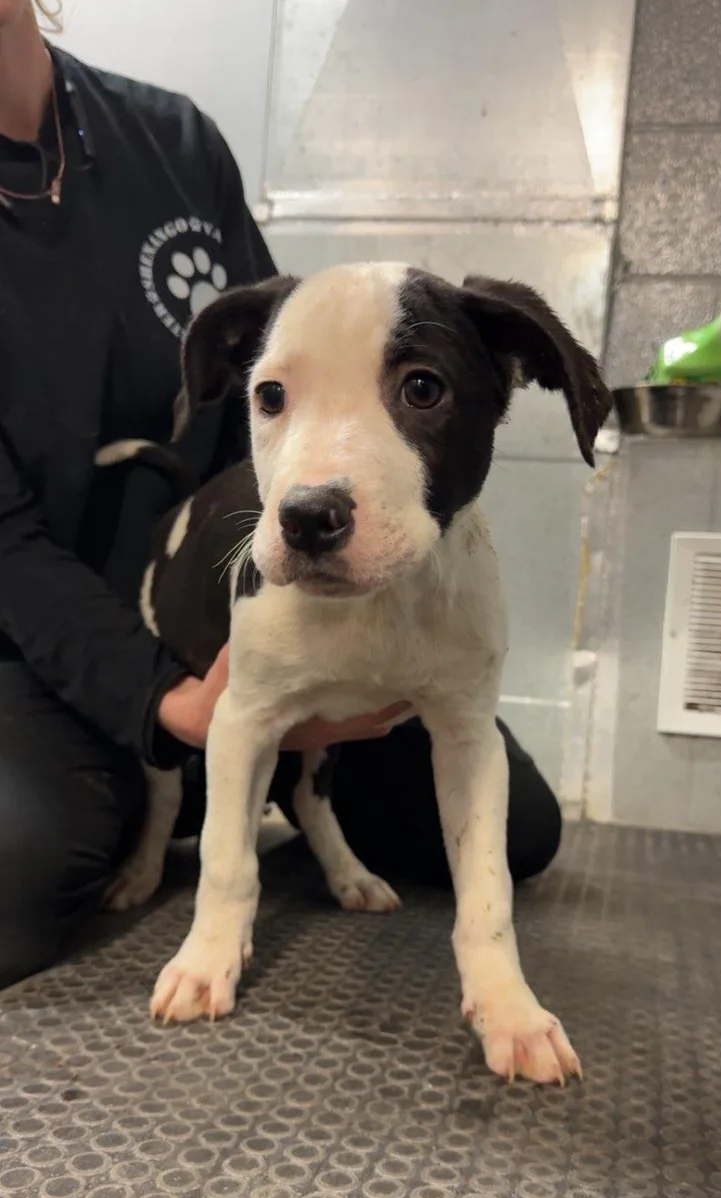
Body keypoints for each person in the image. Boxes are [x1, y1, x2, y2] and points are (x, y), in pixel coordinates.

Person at [0, 0, 562, 990]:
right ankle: (143, 786)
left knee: (516, 829)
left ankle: (291, 797)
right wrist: (162, 699)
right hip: (50, 638)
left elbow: (298, 375)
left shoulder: (171, 141)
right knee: (19, 871)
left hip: (276, 587)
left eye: (421, 388)